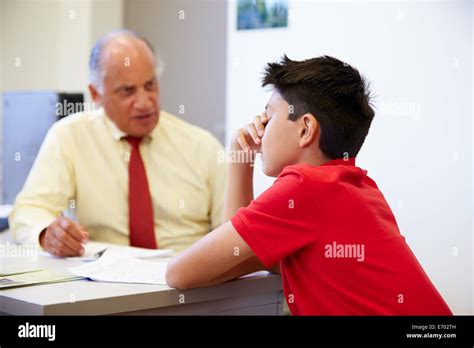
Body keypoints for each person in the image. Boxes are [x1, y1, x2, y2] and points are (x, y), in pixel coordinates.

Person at [165, 55, 452, 315]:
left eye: (268, 116)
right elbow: (236, 258)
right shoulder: (358, 186)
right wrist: (243, 160)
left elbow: (179, 273)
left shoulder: (304, 187)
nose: (260, 128)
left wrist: (238, 159)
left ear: (305, 129)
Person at [9, 30, 226, 256]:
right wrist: (47, 234)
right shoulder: (70, 137)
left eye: (150, 85)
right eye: (127, 91)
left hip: (187, 279)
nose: (144, 103)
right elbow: (29, 209)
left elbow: (233, 231)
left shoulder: (203, 146)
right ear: (96, 93)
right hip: (103, 283)